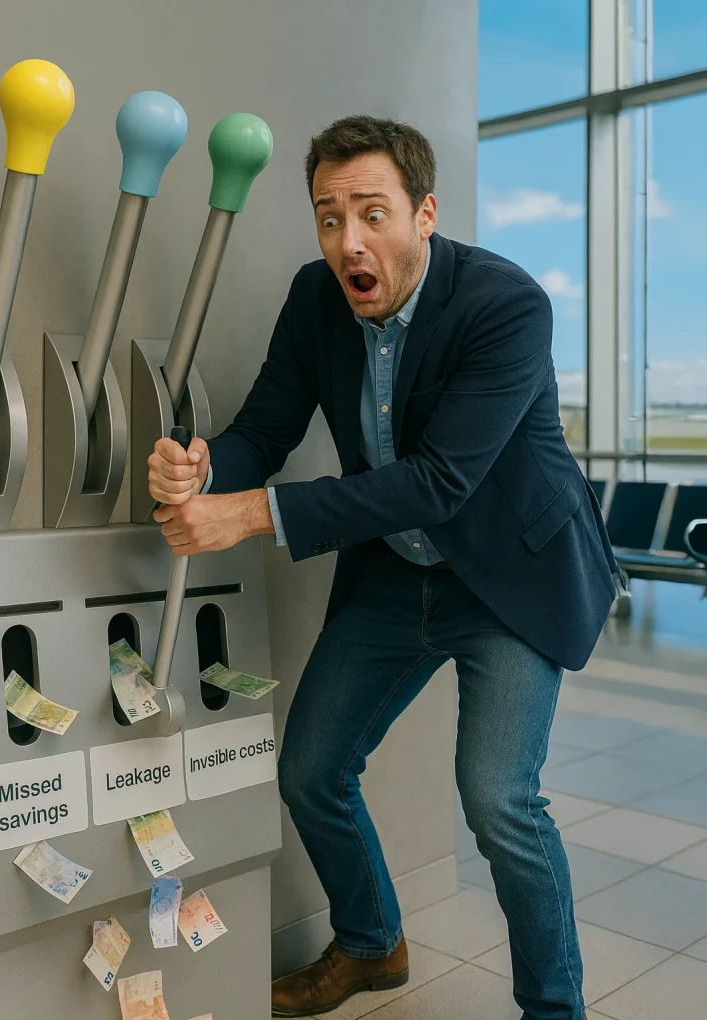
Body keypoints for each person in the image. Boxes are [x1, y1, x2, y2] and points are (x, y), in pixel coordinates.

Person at [147, 114, 622, 1020]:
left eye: (372, 214)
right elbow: (265, 431)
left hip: (509, 580)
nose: (348, 242)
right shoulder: (317, 296)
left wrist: (248, 515)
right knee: (312, 770)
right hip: (396, 575)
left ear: (424, 213)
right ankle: (371, 946)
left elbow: (439, 481)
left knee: (500, 805)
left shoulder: (507, 305)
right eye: (329, 218)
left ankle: (555, 1010)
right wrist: (205, 466)